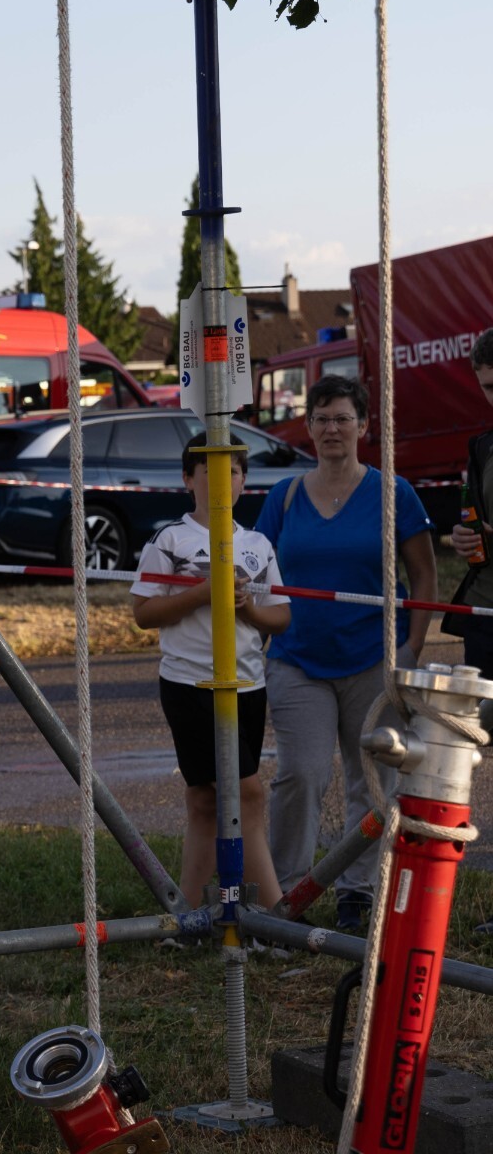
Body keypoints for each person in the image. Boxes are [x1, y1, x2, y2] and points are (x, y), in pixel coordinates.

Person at [255, 374, 436, 932]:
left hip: (373, 660)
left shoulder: (394, 493)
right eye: (322, 419)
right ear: (308, 428)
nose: (332, 428)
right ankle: (288, 894)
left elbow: (424, 574)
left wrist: (410, 647)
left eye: (342, 418)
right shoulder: (284, 497)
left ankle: (358, 891)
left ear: (364, 425)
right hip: (297, 660)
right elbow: (254, 575)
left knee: (372, 780)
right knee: (301, 775)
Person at [132, 439, 290, 913]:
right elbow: (144, 612)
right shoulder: (170, 540)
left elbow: (280, 616)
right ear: (188, 479)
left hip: (249, 683)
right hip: (192, 684)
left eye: (233, 472)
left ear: (244, 481)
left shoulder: (257, 544)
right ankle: (277, 917)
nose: (223, 482)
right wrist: (202, 594)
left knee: (205, 800)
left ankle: (187, 916)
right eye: (209, 472)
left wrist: (247, 609)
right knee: (247, 794)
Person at [439, 327, 493, 936]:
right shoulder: (481, 446)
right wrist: (464, 539)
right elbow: (473, 524)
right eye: (486, 387)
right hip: (485, 612)